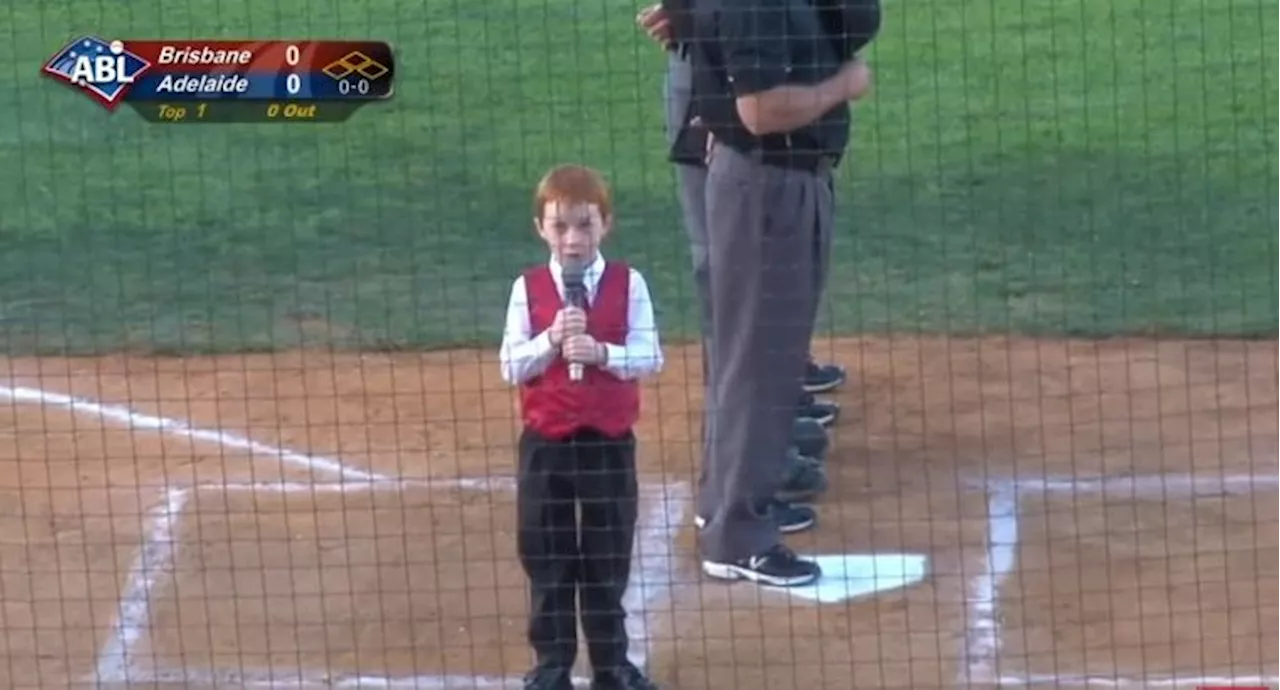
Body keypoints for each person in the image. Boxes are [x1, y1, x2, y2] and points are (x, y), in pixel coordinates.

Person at [677, 0, 875, 587]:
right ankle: (737, 535)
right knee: (759, 366)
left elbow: (859, 17)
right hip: (768, 188)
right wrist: (843, 85)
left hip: (777, 184)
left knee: (761, 361)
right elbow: (760, 110)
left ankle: (731, 502)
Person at [635, 1, 838, 537]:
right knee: (736, 306)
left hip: (760, 67)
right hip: (724, 97)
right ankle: (736, 482)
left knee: (761, 309)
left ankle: (767, 434)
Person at [499, 164, 665, 690]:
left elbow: (649, 355)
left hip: (607, 444)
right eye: (560, 226)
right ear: (540, 228)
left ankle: (611, 666)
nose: (573, 240)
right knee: (547, 558)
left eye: (585, 226)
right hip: (546, 444)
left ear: (605, 225)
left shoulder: (629, 283)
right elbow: (510, 365)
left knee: (606, 556)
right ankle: (552, 667)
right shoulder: (526, 290)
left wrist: (602, 352)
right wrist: (550, 340)